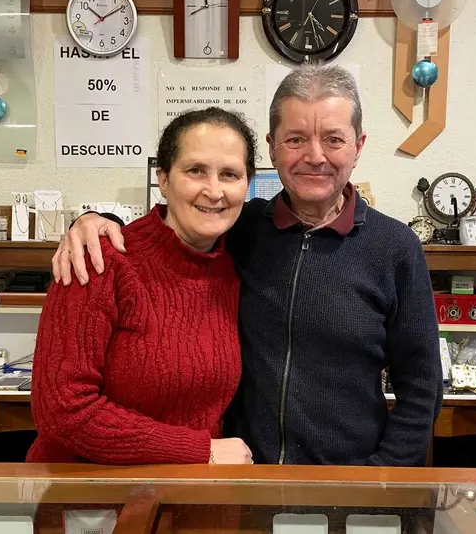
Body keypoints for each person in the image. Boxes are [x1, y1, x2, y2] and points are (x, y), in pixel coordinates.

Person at [53, 63, 443, 467]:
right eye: (295, 139)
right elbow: (170, 231)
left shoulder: (395, 248)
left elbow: (421, 387)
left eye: (333, 139)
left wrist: (381, 479)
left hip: (349, 485)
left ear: (358, 146)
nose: (315, 156)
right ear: (273, 147)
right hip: (242, 483)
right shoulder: (240, 230)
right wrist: (97, 222)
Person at [26, 107, 257, 465]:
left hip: (188, 495)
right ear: (163, 178)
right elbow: (62, 410)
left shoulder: (233, 264)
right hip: (90, 504)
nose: (214, 191)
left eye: (229, 174)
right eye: (195, 171)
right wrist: (199, 451)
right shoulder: (100, 258)